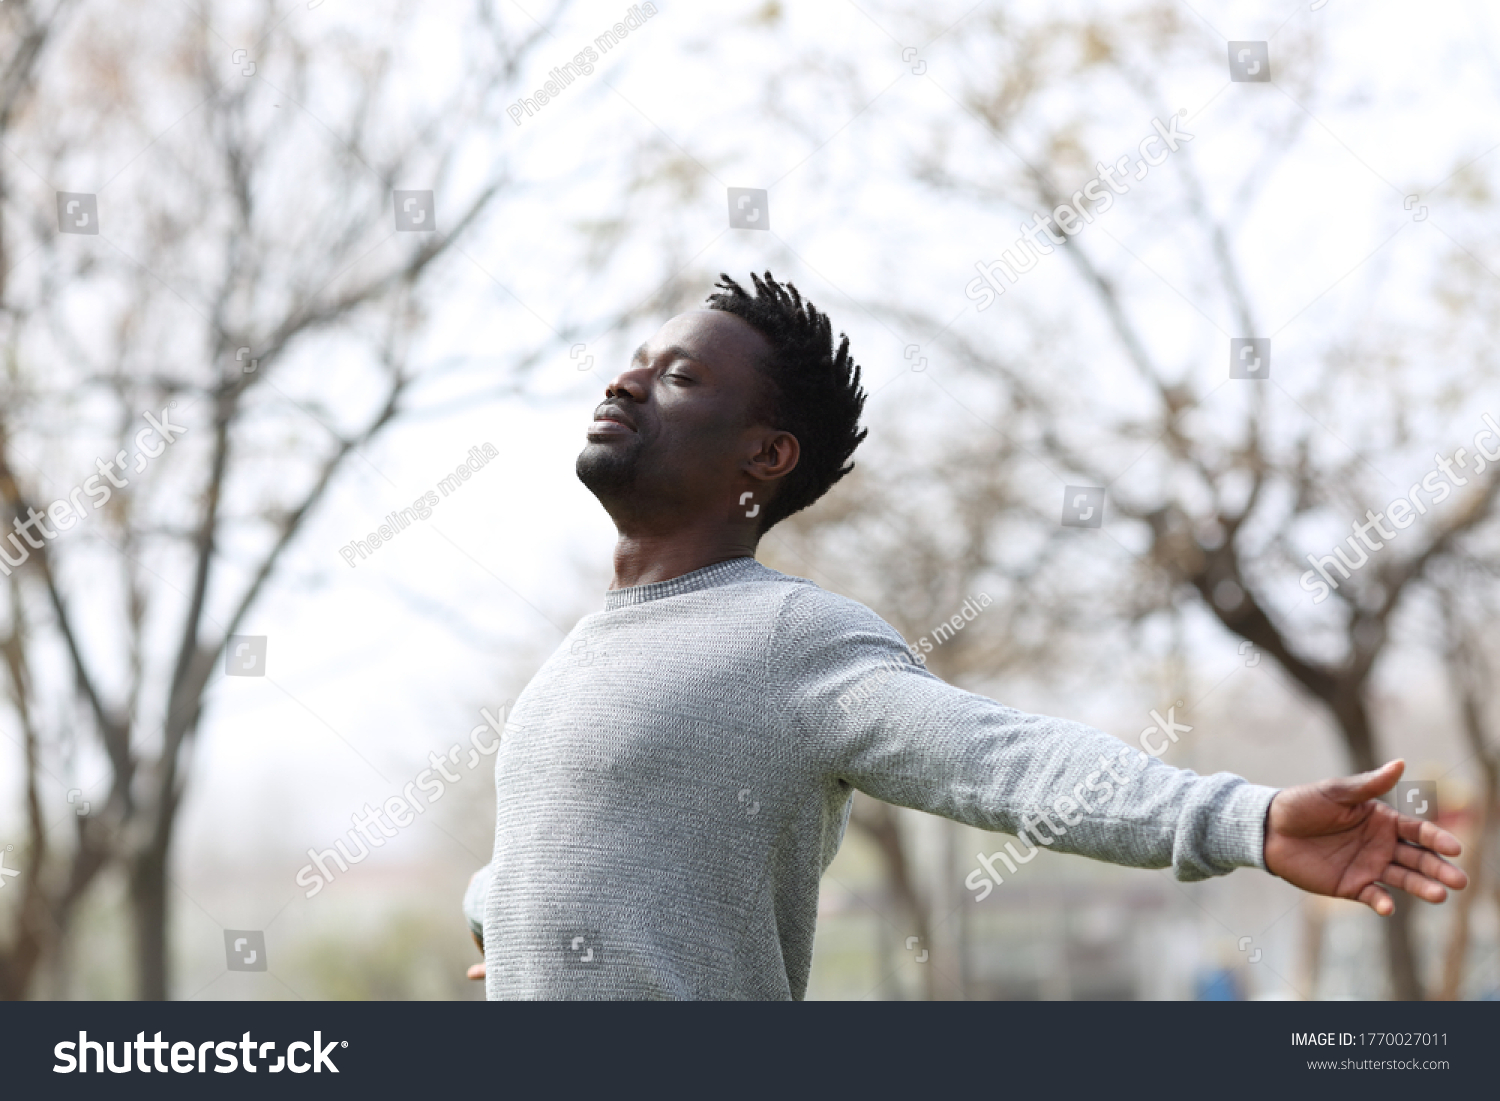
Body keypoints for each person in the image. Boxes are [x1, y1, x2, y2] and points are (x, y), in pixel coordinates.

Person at [462, 271, 1466, 999]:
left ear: (766, 456)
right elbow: (571, 851)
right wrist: (510, 922)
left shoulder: (787, 638)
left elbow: (1007, 762)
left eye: (678, 377)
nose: (626, 384)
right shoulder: (579, 655)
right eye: (636, 365)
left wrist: (1238, 817)